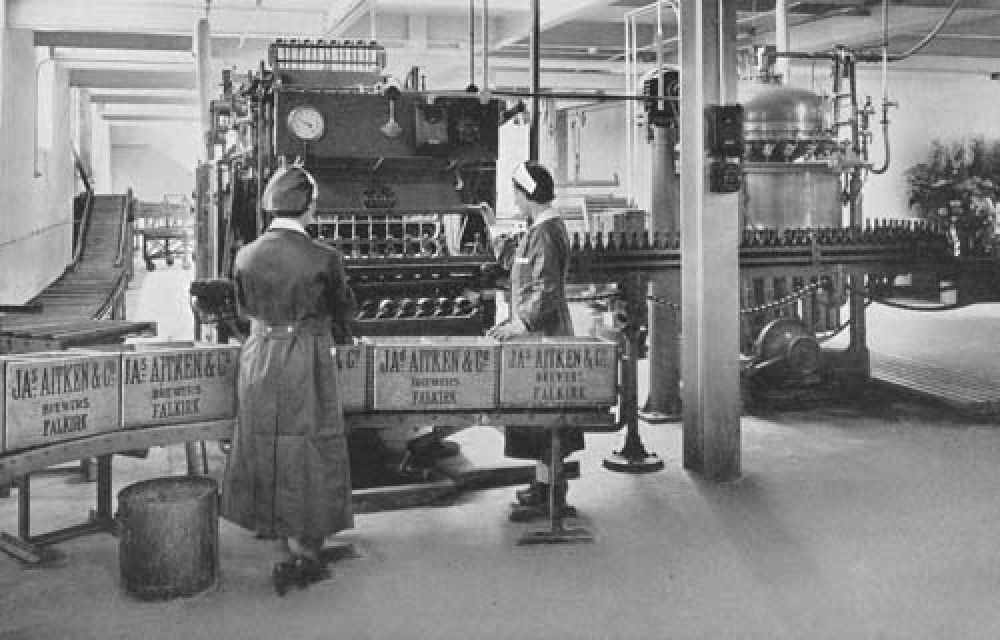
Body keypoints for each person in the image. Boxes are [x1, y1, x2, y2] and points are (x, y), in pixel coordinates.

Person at [221, 164, 355, 595]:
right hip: (306, 357)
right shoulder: (323, 257)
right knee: (310, 445)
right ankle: (308, 550)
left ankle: (278, 533)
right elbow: (343, 311)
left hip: (258, 356)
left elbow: (242, 310)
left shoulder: (245, 255)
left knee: (264, 440)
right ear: (309, 207)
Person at [487, 161, 581, 522]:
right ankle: (543, 488)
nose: (515, 200)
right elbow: (518, 263)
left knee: (548, 415)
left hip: (544, 336)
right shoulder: (537, 230)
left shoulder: (546, 232)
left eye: (516, 194)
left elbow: (547, 290)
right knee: (539, 419)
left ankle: (553, 495)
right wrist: (494, 227)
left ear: (528, 195)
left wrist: (519, 323)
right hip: (535, 333)